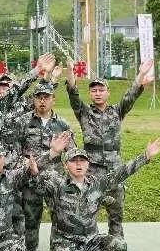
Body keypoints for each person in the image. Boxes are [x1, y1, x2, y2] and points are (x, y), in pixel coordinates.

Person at [30, 138, 160, 251]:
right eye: (73, 161)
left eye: (82, 161)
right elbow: (37, 182)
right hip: (65, 241)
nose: (79, 164)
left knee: (119, 245)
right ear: (66, 165)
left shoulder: (97, 184)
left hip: (90, 241)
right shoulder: (57, 184)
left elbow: (120, 173)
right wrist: (48, 157)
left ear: (88, 165)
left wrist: (145, 156)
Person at [65, 59, 154, 239]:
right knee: (88, 212)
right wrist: (70, 73)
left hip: (115, 170)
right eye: (94, 90)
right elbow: (73, 95)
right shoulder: (84, 112)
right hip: (92, 172)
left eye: (101, 90)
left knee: (116, 214)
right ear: (90, 93)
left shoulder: (117, 111)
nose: (97, 93)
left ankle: (117, 243)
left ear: (108, 92)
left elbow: (131, 96)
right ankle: (88, 242)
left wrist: (141, 74)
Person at [19, 82, 74, 251]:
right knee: (31, 216)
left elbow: (71, 151)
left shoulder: (62, 124)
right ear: (34, 100)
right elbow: (16, 149)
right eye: (39, 97)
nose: (42, 101)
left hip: (54, 178)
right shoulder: (24, 121)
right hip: (31, 177)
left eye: (46, 97)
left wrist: (73, 171)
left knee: (59, 216)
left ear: (53, 100)